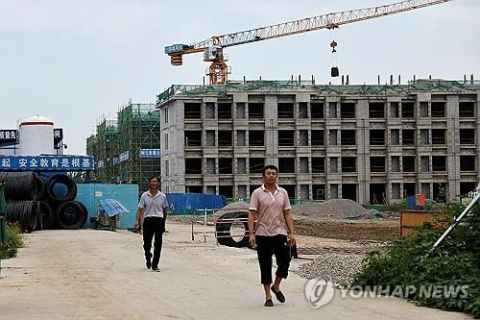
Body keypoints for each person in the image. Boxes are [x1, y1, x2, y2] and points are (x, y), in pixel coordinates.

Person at [248, 165, 295, 307]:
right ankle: (268, 296)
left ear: (277, 176)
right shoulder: (257, 193)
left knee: (285, 261)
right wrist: (251, 233)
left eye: (274, 173)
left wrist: (291, 232)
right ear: (263, 176)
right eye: (268, 173)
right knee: (265, 264)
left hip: (279, 232)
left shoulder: (283, 193)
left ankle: (276, 285)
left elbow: (287, 213)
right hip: (262, 233)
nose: (271, 176)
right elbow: (251, 213)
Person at [135, 176, 168, 272]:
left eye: (155, 182)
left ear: (158, 183)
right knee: (147, 243)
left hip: (159, 220)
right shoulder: (144, 196)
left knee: (158, 244)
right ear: (149, 183)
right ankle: (148, 256)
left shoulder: (162, 196)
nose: (153, 183)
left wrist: (164, 222)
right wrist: (137, 221)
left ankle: (155, 264)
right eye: (152, 182)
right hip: (148, 220)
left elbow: (165, 210)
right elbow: (140, 209)